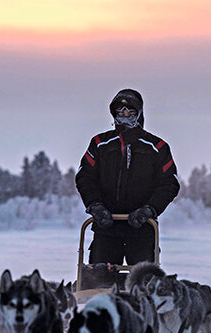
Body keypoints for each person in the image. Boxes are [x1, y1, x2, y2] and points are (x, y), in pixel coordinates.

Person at [75, 88, 180, 265]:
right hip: (106, 226)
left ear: (138, 113)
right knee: (98, 281)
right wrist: (95, 206)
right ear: (113, 112)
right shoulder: (99, 144)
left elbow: (170, 183)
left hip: (142, 227)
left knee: (143, 283)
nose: (124, 113)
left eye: (130, 110)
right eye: (120, 110)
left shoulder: (157, 147)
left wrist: (150, 209)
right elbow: (85, 176)